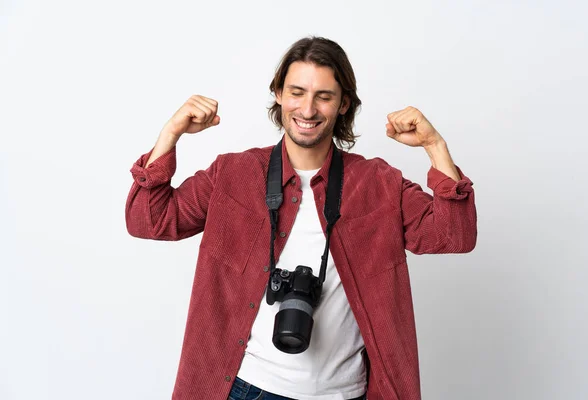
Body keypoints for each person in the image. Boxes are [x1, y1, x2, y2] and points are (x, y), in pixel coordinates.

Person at [125, 36, 477, 400]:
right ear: (278, 94)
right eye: (296, 92)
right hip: (247, 390)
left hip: (345, 393)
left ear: (343, 104)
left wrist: (435, 147)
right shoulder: (233, 174)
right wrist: (170, 134)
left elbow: (455, 235)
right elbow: (148, 220)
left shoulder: (378, 184)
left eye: (324, 96)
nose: (307, 109)